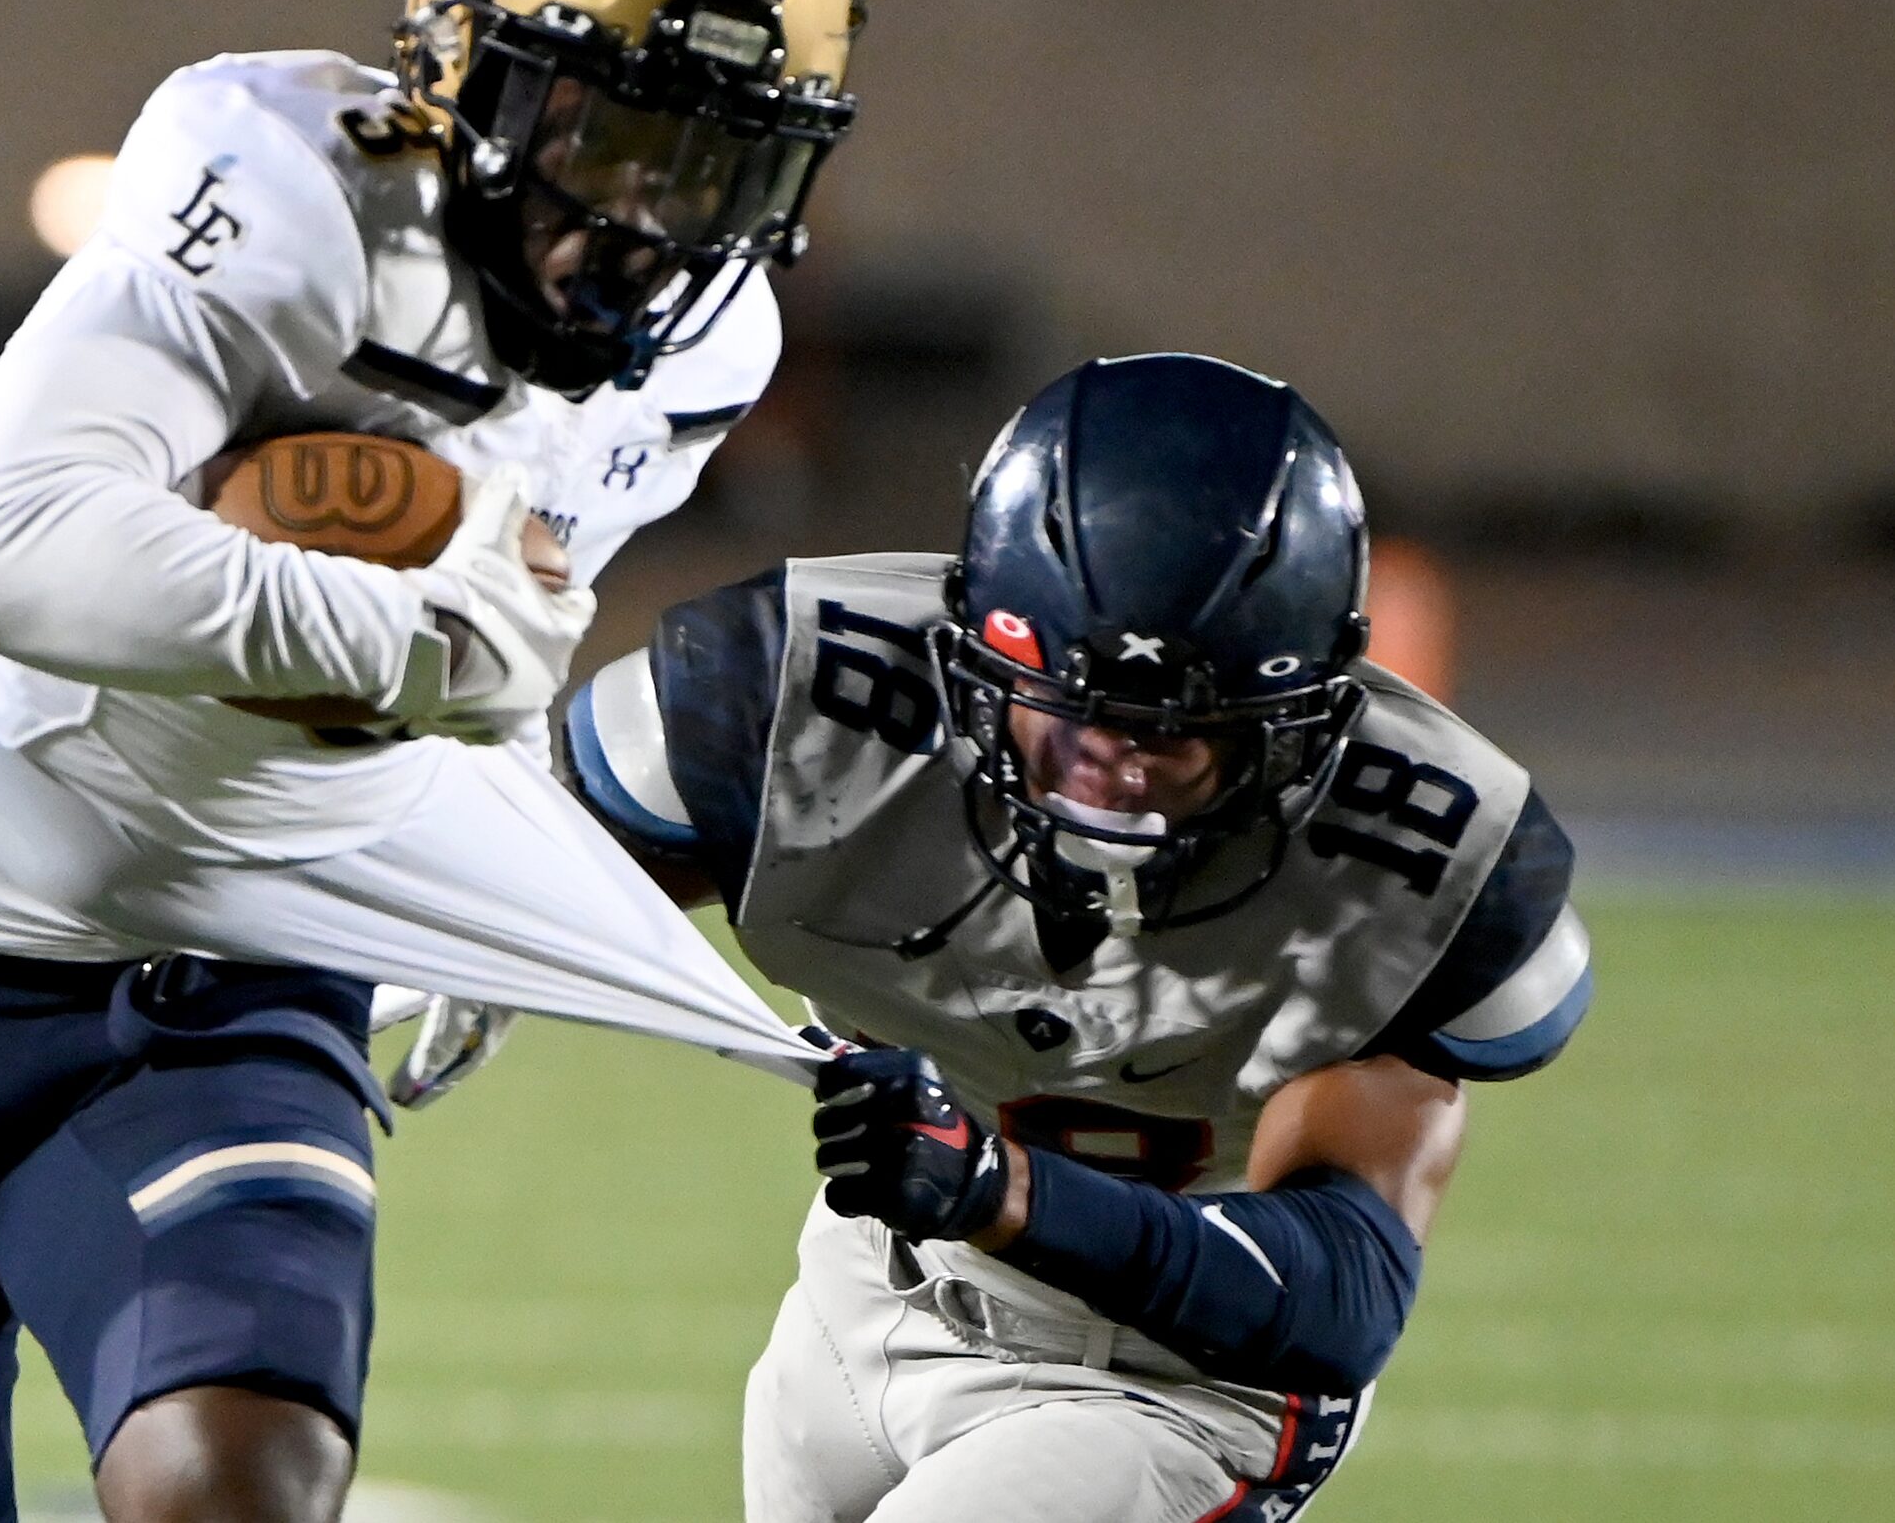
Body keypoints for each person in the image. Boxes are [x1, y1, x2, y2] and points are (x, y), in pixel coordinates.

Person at [0, 0, 857, 1523]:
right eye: (613, 130)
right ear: (469, 55)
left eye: (717, 161)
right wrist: (399, 644)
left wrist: (467, 824)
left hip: (228, 970)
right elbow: (3, 550)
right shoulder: (293, 191)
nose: (649, 216)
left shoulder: (705, 350)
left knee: (237, 1483)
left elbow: (479, 652)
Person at [561, 353, 1593, 1522]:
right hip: (868, 1298)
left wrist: (999, 1188)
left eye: (1176, 735)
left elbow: (1337, 1298)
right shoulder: (796, 701)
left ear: (1296, 724)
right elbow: (509, 856)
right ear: (978, 659)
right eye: (1072, 719)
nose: (1116, 774)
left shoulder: (1413, 865)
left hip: (1175, 1379)